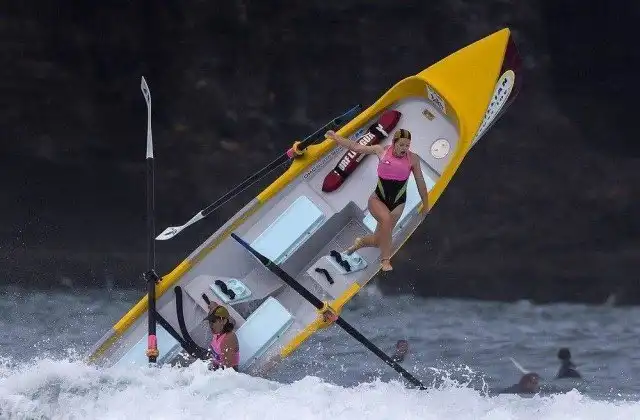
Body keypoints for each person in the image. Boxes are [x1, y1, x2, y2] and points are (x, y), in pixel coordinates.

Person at [325, 128, 430, 271]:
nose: (404, 148)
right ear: (394, 143)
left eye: (407, 145)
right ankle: (385, 261)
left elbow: (420, 181)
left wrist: (426, 204)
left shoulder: (413, 159)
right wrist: (336, 137)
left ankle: (358, 244)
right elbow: (356, 147)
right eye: (401, 145)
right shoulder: (380, 150)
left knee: (378, 241)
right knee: (386, 220)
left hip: (398, 203)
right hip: (378, 199)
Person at [206, 303, 240, 371]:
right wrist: (213, 306)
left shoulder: (229, 338)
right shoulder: (217, 333)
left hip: (226, 374)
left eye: (213, 321)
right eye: (210, 321)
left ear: (223, 321)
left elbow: (229, 370)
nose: (210, 325)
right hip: (216, 368)